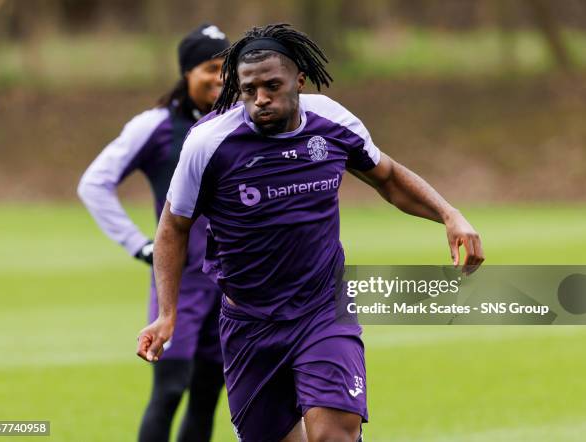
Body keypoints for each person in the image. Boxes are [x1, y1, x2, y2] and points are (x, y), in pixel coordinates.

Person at [137, 23, 485, 442]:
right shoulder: (209, 143)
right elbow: (173, 227)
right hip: (249, 323)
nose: (260, 99)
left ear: (298, 80)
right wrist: (168, 313)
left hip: (322, 310)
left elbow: (388, 178)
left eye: (272, 86)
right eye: (249, 90)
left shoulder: (333, 122)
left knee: (332, 434)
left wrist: (449, 215)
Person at [78, 24, 230, 442]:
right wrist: (139, 245)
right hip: (179, 283)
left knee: (207, 396)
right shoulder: (157, 125)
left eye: (227, 68)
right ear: (186, 73)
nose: (220, 77)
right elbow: (94, 182)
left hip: (231, 284)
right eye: (210, 68)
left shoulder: (241, 123)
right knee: (169, 391)